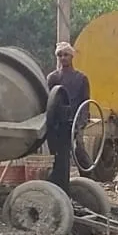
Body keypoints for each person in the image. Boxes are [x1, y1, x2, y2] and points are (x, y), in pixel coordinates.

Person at [45, 41, 91, 191]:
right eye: (60, 55)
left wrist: (81, 123)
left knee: (79, 150)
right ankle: (57, 183)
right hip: (57, 122)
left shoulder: (81, 78)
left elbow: (85, 102)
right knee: (58, 154)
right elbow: (48, 102)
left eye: (66, 55)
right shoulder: (52, 78)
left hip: (75, 120)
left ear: (72, 56)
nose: (63, 58)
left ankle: (88, 183)